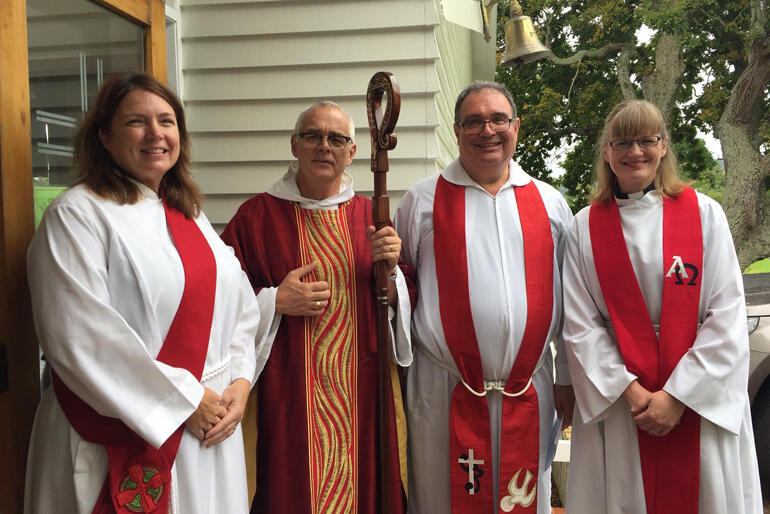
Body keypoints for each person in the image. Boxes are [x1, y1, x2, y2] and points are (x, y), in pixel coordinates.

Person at [24, 73, 277, 514]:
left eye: (167, 121)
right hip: (124, 428)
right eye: (137, 122)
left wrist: (239, 381)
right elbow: (81, 337)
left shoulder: (189, 215)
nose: (156, 134)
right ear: (104, 136)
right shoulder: (77, 215)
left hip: (209, 430)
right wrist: (186, 400)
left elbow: (237, 305)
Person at [562, 99, 763, 514]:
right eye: (622, 142)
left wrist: (676, 397)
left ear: (664, 145)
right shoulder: (584, 226)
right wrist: (632, 392)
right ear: (606, 151)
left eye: (645, 140)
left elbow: (725, 313)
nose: (635, 152)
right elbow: (580, 325)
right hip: (624, 404)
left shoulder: (706, 214)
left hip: (694, 403)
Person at [220, 101, 415, 514]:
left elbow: (398, 301)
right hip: (285, 398)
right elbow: (220, 305)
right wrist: (274, 301)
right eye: (313, 136)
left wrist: (393, 274)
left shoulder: (372, 216)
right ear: (294, 145)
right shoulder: (255, 219)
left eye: (337, 138)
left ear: (352, 152)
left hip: (362, 396)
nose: (324, 146)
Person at [394, 81, 574, 514]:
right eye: (473, 121)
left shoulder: (549, 203)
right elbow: (401, 288)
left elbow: (574, 301)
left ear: (517, 126)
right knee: (441, 498)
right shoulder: (422, 201)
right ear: (456, 131)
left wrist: (567, 375)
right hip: (444, 389)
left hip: (528, 388)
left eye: (497, 119)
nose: (486, 130)